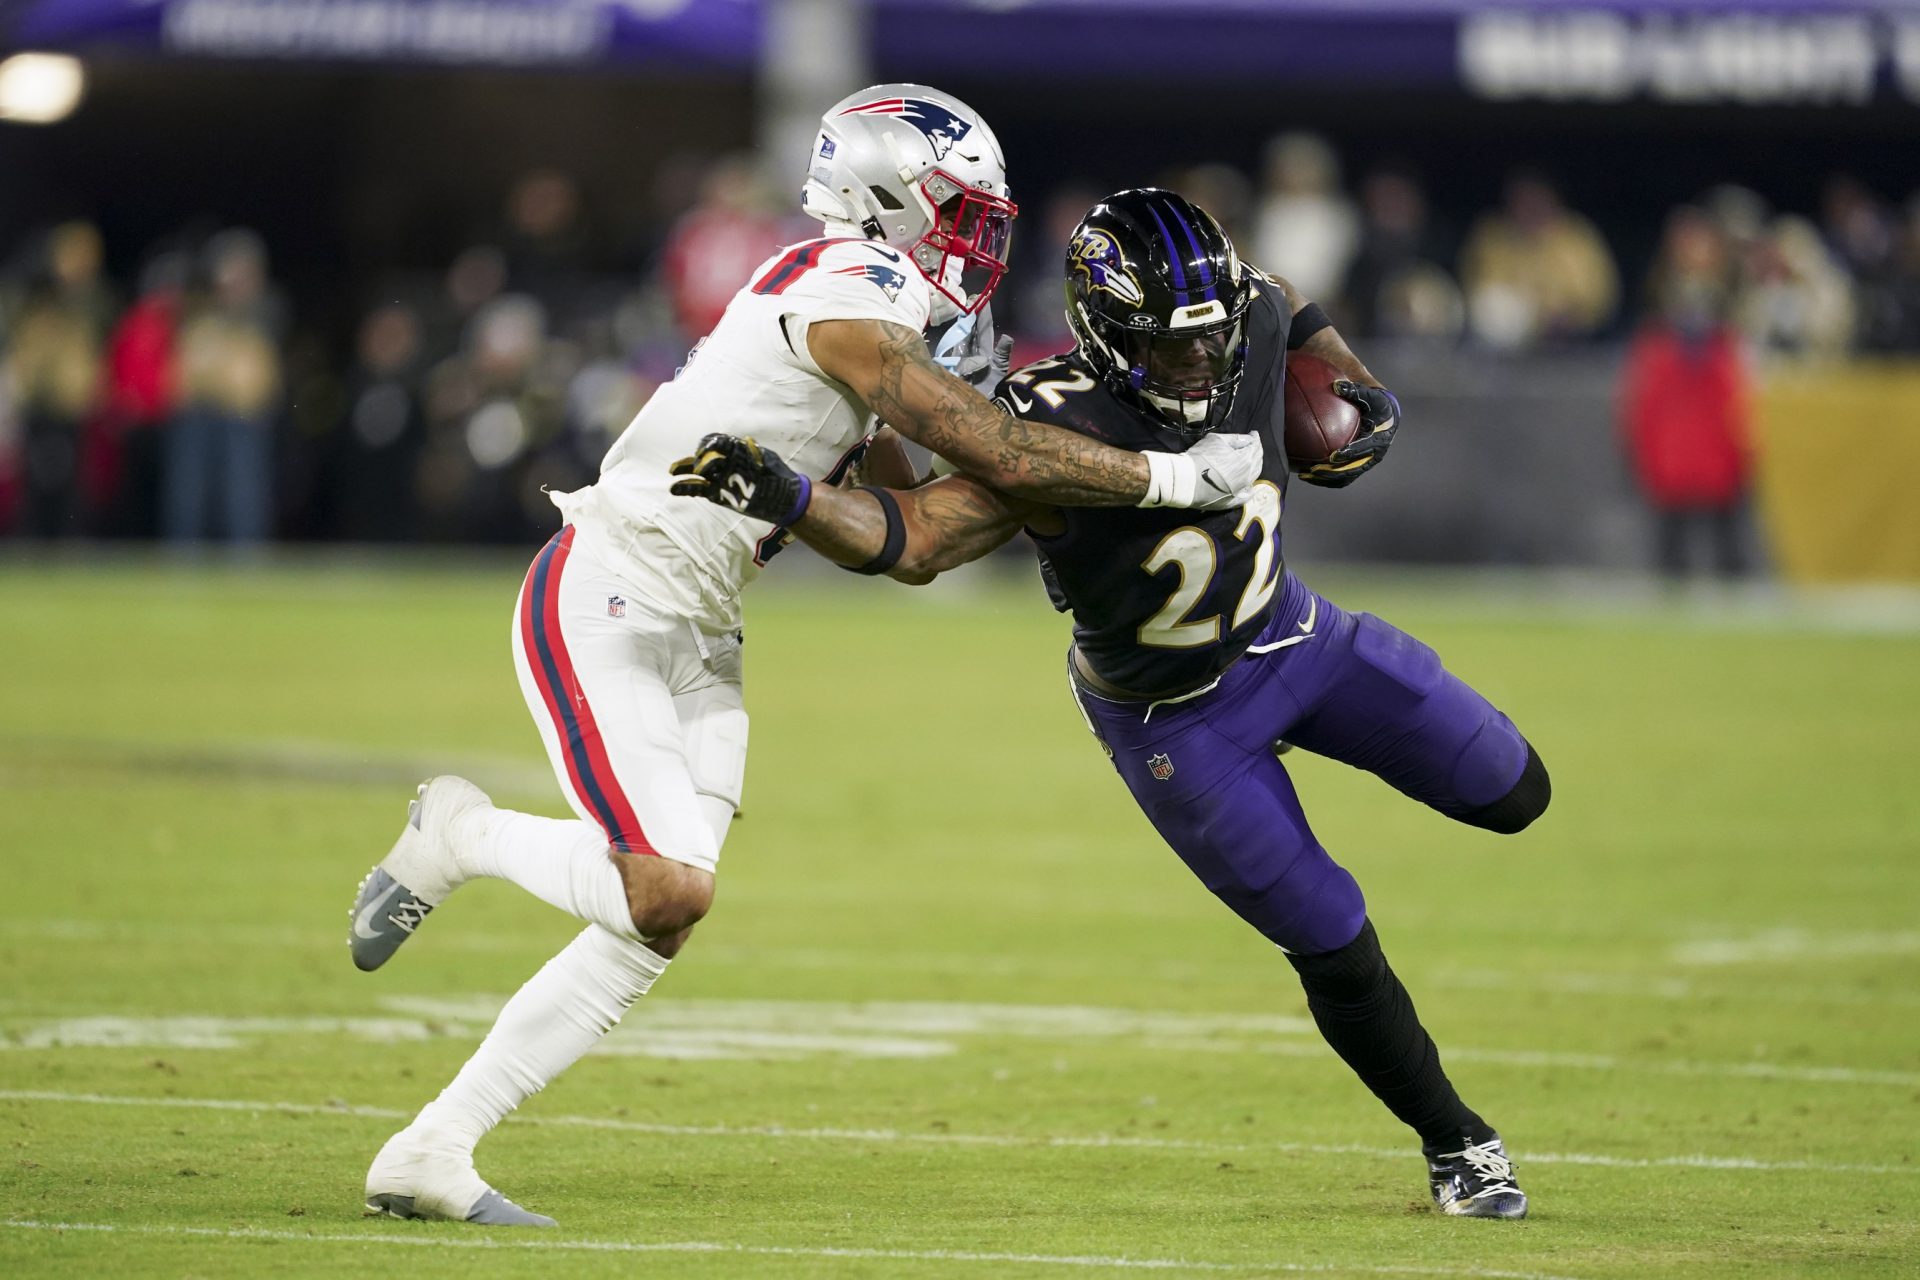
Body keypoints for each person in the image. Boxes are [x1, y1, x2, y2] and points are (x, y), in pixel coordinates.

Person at [344, 89, 1263, 1228]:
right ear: (886, 202)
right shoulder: (849, 289)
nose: (978, 240)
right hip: (607, 592)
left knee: (658, 922)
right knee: (665, 884)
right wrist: (1168, 477)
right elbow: (983, 446)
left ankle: (432, 1146)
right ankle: (460, 830)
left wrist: (837, 476)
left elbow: (910, 528)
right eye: (960, 214)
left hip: (706, 621)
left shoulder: (878, 304)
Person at [673, 189, 1550, 1220]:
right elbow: (916, 542)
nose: (1200, 365)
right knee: (1330, 930)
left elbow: (1282, 301)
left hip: (1299, 637)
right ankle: (1459, 1143)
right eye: (1171, 350)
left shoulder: (1244, 317)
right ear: (1104, 333)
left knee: (1514, 788)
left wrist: (1355, 383)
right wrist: (794, 500)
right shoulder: (1042, 424)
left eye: (1209, 339)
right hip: (1176, 722)